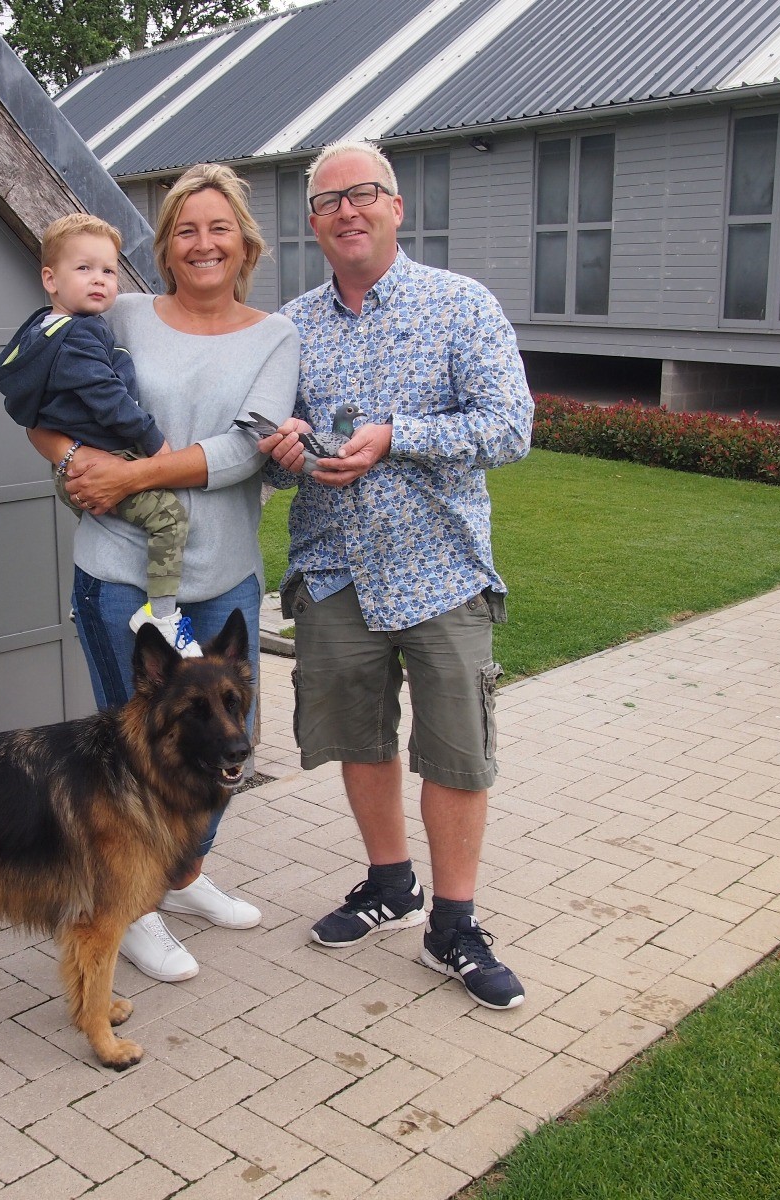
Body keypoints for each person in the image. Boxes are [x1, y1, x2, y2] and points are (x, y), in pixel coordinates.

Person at [259, 141, 534, 1010]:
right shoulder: (289, 328)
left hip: (441, 571)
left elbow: (511, 426)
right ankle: (390, 884)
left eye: (364, 193)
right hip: (334, 571)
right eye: (328, 200)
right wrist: (287, 451)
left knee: (456, 749)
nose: (347, 210)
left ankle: (453, 924)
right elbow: (269, 451)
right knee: (360, 738)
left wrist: (397, 435)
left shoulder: (460, 305)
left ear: (396, 207)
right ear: (312, 222)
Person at [26, 164, 299, 982]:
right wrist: (74, 464)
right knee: (134, 761)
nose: (203, 243)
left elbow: (245, 449)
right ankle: (131, 906)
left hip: (223, 581)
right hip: (122, 574)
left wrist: (132, 474)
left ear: (245, 244)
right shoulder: (120, 313)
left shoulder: (275, 336)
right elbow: (40, 404)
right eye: (185, 229)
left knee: (226, 743)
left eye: (219, 228)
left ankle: (178, 877)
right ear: (166, 247)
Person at [0, 213, 201, 655]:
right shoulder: (79, 335)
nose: (99, 279)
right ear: (50, 278)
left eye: (108, 270)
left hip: (72, 470)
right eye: (84, 268)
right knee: (170, 518)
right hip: (105, 460)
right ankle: (161, 615)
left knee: (115, 529)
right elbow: (109, 399)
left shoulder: (44, 329)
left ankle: (85, 602)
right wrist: (155, 443)